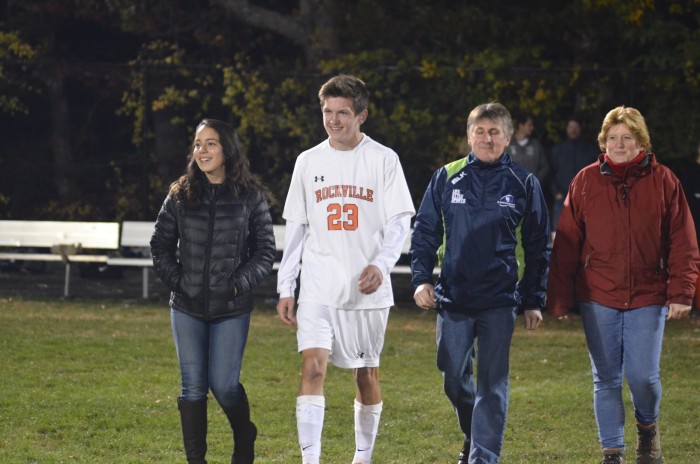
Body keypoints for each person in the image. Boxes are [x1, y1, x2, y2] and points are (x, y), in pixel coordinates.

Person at [547, 106, 700, 464]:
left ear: (640, 141)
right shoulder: (584, 181)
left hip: (649, 293)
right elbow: (567, 243)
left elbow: (683, 242)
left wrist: (681, 292)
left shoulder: (664, 181)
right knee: (606, 378)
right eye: (612, 137)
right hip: (598, 293)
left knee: (643, 377)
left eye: (627, 138)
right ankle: (612, 451)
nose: (619, 144)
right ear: (604, 141)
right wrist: (558, 298)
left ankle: (647, 431)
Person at [275, 74, 415, 464]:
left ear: (362, 115)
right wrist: (286, 287)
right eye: (327, 112)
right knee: (312, 367)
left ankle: (362, 458)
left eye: (342, 113)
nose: (333, 120)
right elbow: (297, 229)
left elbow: (400, 222)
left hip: (366, 291)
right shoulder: (308, 161)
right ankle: (310, 460)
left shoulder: (384, 159)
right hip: (319, 287)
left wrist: (382, 265)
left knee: (365, 375)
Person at [411, 102, 551, 464]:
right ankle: (474, 434)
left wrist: (534, 299)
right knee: (453, 378)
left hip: (500, 300)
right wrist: (421, 279)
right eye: (480, 131)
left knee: (492, 384)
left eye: (494, 132)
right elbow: (425, 231)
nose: (487, 138)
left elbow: (538, 246)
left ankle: (482, 457)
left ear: (507, 137)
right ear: (469, 135)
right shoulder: (446, 176)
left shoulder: (524, 183)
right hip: (453, 297)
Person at [150, 118, 276, 464]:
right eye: (197, 144)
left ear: (227, 150)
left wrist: (236, 284)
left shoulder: (250, 196)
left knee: (223, 385)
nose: (201, 151)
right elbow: (160, 246)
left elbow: (265, 252)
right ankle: (196, 461)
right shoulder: (180, 193)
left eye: (210, 143)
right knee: (192, 387)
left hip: (231, 308)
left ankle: (244, 435)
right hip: (186, 306)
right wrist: (180, 282)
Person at [549, 116, 599, 237]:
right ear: (566, 129)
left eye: (576, 127)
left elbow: (596, 173)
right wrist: (556, 192)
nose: (573, 130)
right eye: (571, 127)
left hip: (584, 198)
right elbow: (550, 172)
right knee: (559, 233)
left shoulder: (590, 150)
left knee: (584, 234)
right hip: (562, 198)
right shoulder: (558, 150)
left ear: (580, 129)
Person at [507, 112, 550, 189]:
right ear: (521, 125)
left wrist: (535, 182)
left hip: (532, 190)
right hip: (512, 190)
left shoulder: (536, 145)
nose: (532, 128)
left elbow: (544, 166)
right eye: (529, 125)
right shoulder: (508, 144)